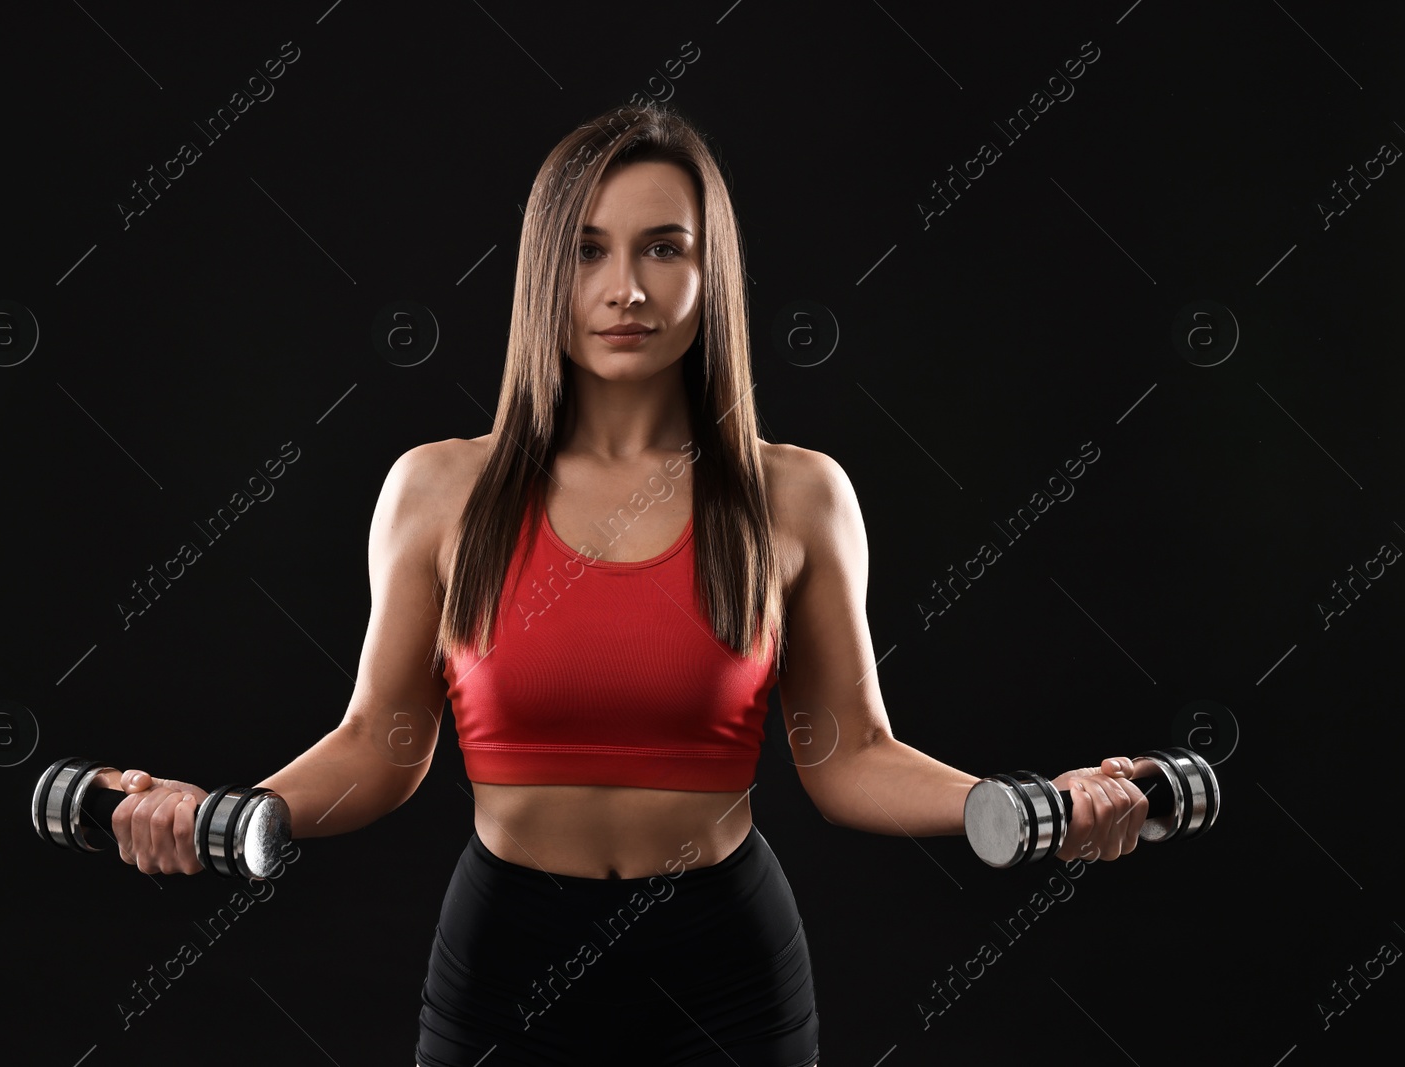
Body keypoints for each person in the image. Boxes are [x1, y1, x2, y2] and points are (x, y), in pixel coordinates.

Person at [95, 103, 1154, 1066]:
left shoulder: (797, 496)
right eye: (588, 250)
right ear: (543, 269)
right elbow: (383, 741)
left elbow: (848, 758)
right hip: (504, 950)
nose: (626, 289)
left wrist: (1021, 805)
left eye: (664, 248)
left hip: (725, 958)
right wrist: (234, 808)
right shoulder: (438, 488)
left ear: (712, 271)